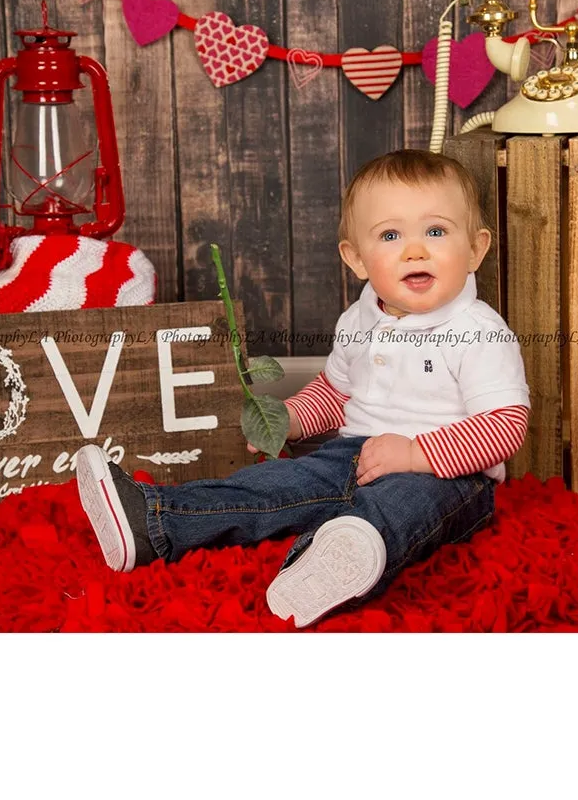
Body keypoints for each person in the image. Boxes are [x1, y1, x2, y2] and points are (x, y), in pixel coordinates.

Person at [74, 149, 531, 628]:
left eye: (435, 232)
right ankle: (155, 521)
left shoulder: (477, 329)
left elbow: (504, 427)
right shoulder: (359, 319)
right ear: (356, 258)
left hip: (448, 475)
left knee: (400, 511)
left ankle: (329, 563)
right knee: (271, 487)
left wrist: (416, 454)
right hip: (352, 453)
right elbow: (335, 393)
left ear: (476, 249)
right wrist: (291, 419)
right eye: (390, 235)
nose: (414, 250)